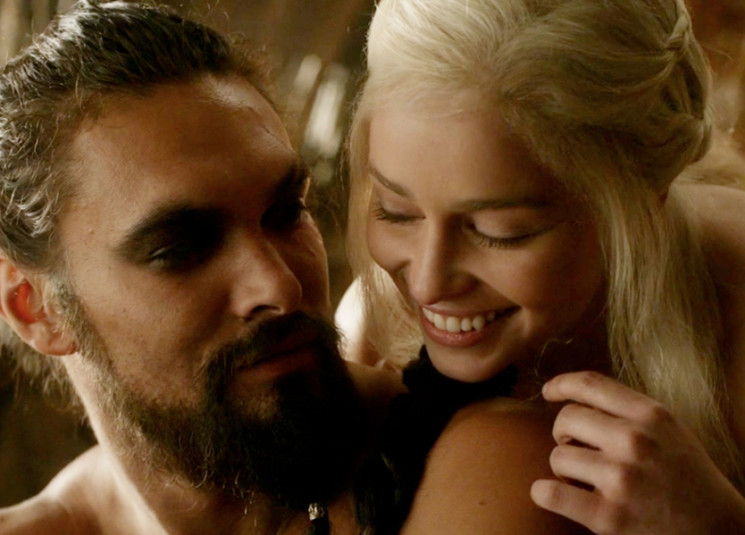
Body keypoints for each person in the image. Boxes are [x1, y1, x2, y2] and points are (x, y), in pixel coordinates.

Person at [0, 2, 402, 534]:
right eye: (180, 248)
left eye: (286, 212)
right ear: (36, 309)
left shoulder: (449, 452)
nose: (279, 285)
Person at [344, 0, 745, 533]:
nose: (425, 283)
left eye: (500, 232)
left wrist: (720, 524)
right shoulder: (371, 319)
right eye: (396, 211)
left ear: (644, 203)